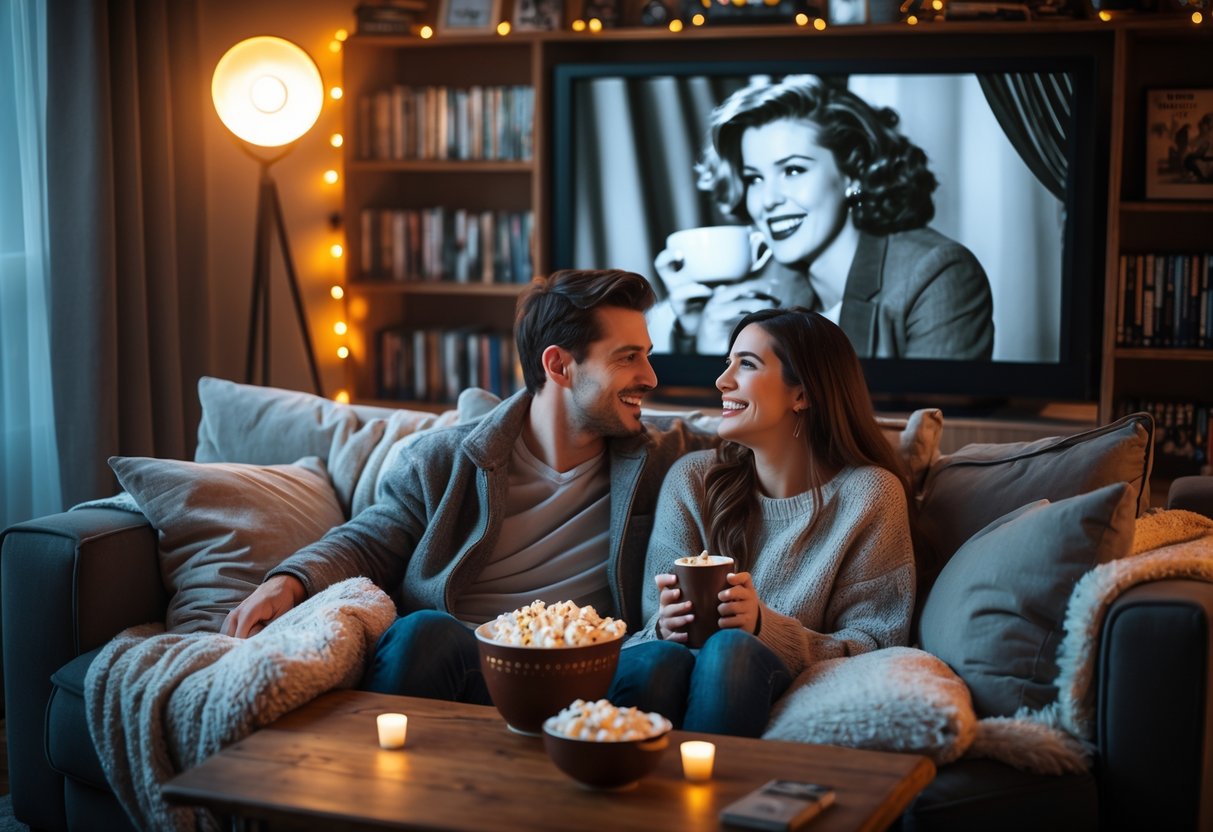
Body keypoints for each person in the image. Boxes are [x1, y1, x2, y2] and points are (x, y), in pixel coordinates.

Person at [221, 268, 715, 705]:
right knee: (422, 633)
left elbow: (752, 441)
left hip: (592, 671)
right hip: (470, 657)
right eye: (628, 357)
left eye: (646, 356)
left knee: (660, 663)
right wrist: (288, 581)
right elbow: (369, 539)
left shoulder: (660, 453)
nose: (649, 377)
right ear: (559, 366)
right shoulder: (442, 460)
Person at [607, 307, 916, 737]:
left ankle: (704, 800)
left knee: (731, 650)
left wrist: (761, 627)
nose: (723, 381)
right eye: (726, 363)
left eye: (746, 364)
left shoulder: (869, 495)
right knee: (657, 659)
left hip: (766, 674)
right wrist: (665, 623)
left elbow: (876, 642)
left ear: (802, 394)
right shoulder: (692, 479)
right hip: (674, 668)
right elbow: (650, 624)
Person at [653, 74, 995, 360]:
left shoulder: (937, 273)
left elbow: (932, 429)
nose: (767, 200)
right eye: (754, 178)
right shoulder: (762, 282)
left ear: (853, 173)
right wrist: (697, 338)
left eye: (793, 170)